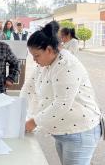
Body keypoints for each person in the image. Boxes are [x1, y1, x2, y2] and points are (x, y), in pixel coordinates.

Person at [21, 21, 101, 165]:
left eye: (37, 56)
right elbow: (29, 87)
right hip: (62, 131)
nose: (34, 60)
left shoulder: (67, 65)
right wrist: (19, 109)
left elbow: (61, 104)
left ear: (50, 50)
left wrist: (33, 122)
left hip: (80, 131)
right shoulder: (44, 64)